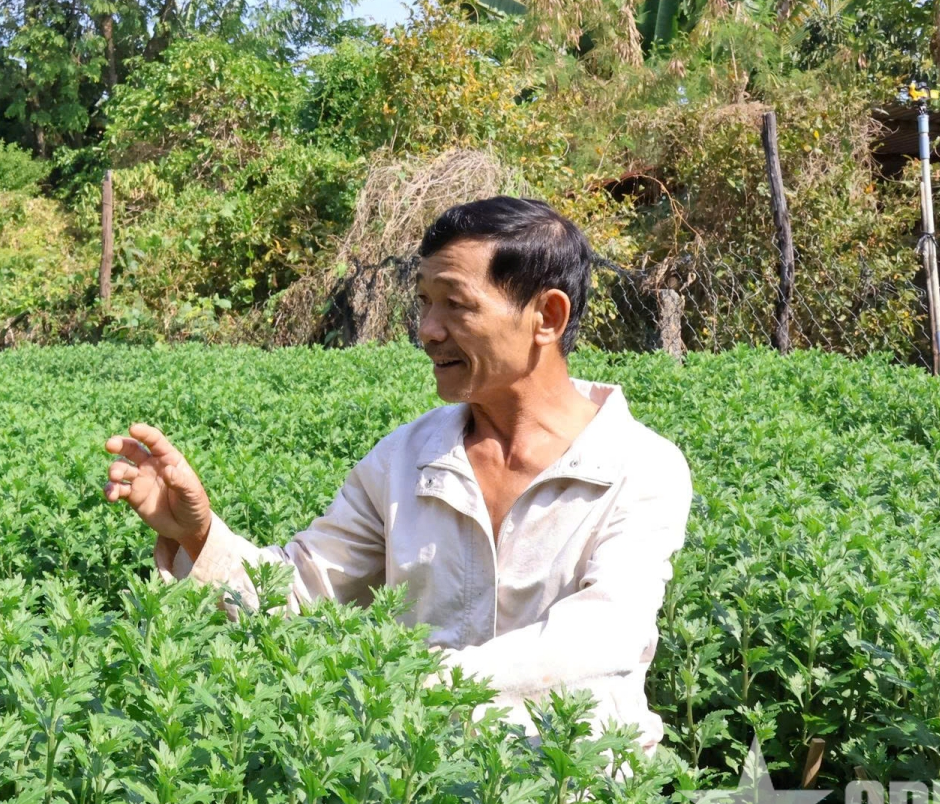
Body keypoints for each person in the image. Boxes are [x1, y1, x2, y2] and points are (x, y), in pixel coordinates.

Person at [102, 196, 692, 749]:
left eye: (455, 303)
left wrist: (403, 684)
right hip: (415, 795)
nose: (426, 330)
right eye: (423, 302)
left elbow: (600, 635)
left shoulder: (640, 468)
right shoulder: (405, 458)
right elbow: (301, 593)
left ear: (547, 316)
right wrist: (198, 534)